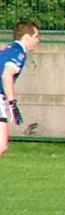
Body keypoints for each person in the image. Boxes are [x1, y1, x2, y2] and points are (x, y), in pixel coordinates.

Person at [0, 19, 41, 159]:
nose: (38, 41)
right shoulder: (19, 53)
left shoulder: (7, 50)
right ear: (26, 37)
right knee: (1, 145)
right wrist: (12, 103)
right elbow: (6, 75)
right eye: (36, 36)